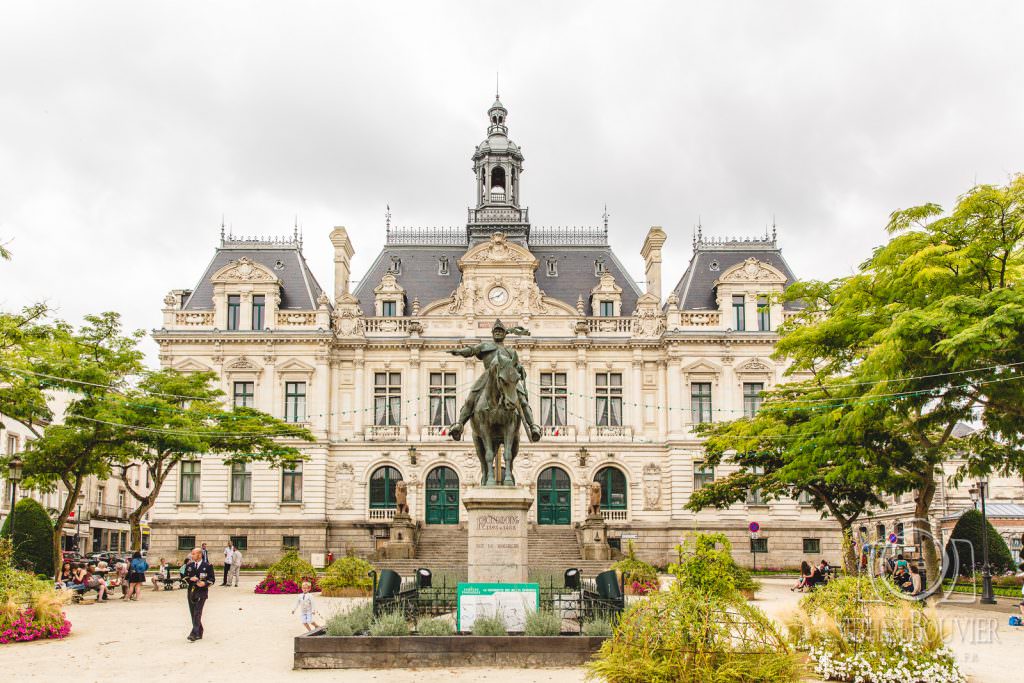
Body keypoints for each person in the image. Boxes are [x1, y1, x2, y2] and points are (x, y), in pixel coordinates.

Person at [446, 319, 543, 443]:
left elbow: (517, 367)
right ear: (492, 333)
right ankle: (459, 425)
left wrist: (521, 370)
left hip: (507, 379)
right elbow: (471, 351)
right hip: (488, 377)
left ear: (504, 334)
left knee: (523, 401)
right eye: (496, 331)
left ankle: (532, 427)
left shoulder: (511, 352)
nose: (498, 333)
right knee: (471, 397)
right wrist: (460, 352)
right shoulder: (485, 346)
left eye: (500, 331)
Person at [183, 547, 214, 642]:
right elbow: (184, 576)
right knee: (193, 612)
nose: (191, 555)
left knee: (197, 611)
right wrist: (190, 579)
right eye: (191, 554)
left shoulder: (208, 566)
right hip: (191, 591)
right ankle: (200, 630)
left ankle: (194, 633)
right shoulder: (189, 565)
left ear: (200, 555)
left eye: (193, 554)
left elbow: (212, 579)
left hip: (201, 592)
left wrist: (204, 583)